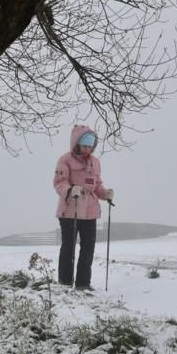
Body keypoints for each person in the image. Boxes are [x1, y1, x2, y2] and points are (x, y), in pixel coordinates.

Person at [53, 125, 114, 291]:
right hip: (69, 211)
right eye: (84, 145)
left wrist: (105, 194)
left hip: (90, 212)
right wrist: (70, 190)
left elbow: (97, 185)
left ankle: (83, 284)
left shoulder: (95, 162)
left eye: (90, 146)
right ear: (77, 144)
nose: (87, 149)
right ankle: (65, 282)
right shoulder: (65, 160)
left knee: (88, 248)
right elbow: (59, 183)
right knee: (69, 247)